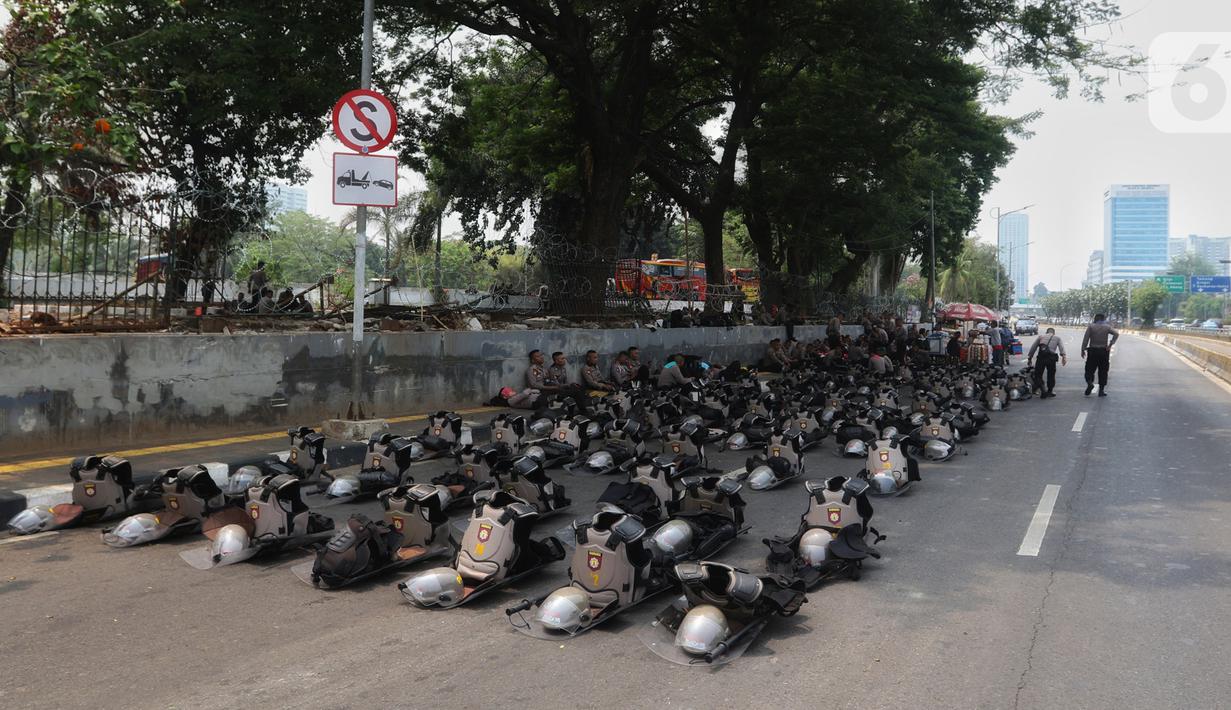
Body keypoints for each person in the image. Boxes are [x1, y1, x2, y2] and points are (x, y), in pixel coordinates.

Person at [1081, 313, 1120, 396]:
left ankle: (1089, 383)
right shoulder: (1107, 327)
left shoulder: (1091, 327)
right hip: (1104, 352)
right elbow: (1116, 334)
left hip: (1093, 351)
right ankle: (1101, 391)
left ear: (1096, 319)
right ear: (1103, 319)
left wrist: (1083, 349)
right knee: (1103, 371)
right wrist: (1110, 344)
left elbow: (1086, 339)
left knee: (1089, 370)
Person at [1028, 327, 1067, 398]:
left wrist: (1029, 358)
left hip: (1041, 358)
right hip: (1051, 359)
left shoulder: (1041, 337)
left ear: (1046, 332)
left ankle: (1043, 389)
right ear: (1054, 333)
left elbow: (1033, 348)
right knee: (1051, 375)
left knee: (1038, 375)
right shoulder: (1057, 338)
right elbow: (1062, 348)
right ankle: (1050, 391)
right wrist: (1064, 357)